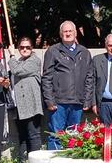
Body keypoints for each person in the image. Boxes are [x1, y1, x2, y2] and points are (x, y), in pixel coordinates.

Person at [41, 21, 95, 149]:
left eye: (70, 31)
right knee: (56, 136)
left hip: (78, 103)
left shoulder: (85, 52)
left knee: (74, 137)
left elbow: (89, 78)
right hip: (58, 103)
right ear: (60, 34)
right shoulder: (53, 51)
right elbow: (46, 78)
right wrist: (49, 100)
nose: (68, 33)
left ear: (75, 33)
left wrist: (87, 100)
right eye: (65, 31)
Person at [9, 37, 43, 163]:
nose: (24, 49)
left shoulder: (34, 61)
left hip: (31, 105)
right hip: (19, 106)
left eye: (27, 47)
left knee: (33, 135)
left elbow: (17, 71)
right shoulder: (18, 62)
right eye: (22, 47)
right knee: (22, 137)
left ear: (32, 48)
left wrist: (11, 55)